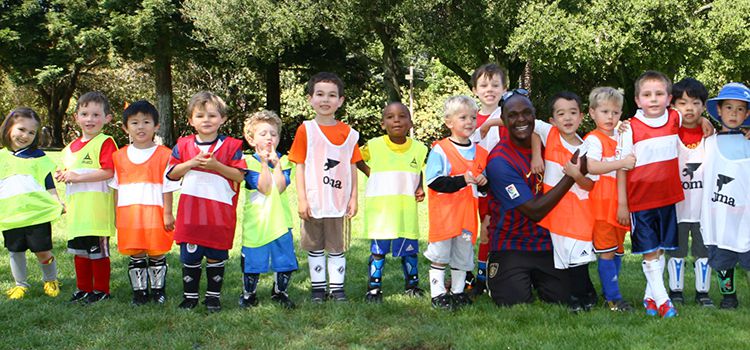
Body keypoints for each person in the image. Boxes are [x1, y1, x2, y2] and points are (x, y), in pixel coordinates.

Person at [485, 90, 587, 307]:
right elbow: (534, 210)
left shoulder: (550, 144)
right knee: (514, 302)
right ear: (503, 120)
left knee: (565, 298)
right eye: (513, 115)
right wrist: (573, 176)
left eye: (526, 113)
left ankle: (539, 277)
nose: (520, 119)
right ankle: (501, 274)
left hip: (547, 243)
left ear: (535, 116)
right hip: (511, 243)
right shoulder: (499, 161)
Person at [166, 91, 245, 312]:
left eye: (212, 115)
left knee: (215, 256)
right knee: (190, 258)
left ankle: (213, 297)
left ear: (223, 119)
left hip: (219, 213)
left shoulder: (232, 146)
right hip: (191, 214)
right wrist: (191, 163)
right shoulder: (182, 145)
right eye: (200, 116)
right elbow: (171, 173)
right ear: (191, 121)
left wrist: (216, 166)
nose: (206, 120)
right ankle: (189, 297)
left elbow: (240, 176)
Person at [288, 72, 361, 302]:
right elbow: (299, 165)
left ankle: (337, 289)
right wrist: (301, 199)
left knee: (336, 246)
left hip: (338, 200)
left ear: (340, 101)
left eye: (331, 95)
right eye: (319, 94)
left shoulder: (348, 134)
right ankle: (318, 289)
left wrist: (353, 198)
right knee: (315, 246)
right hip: (314, 199)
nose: (325, 100)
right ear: (310, 98)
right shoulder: (306, 129)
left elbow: (352, 166)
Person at [617, 71, 682, 318]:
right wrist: (623, 203)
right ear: (637, 100)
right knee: (649, 249)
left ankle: (649, 297)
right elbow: (623, 167)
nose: (653, 99)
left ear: (668, 98)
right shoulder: (629, 127)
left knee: (661, 248)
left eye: (659, 94)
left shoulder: (675, 118)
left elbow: (694, 120)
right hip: (641, 200)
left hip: (667, 196)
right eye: (647, 94)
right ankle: (664, 300)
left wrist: (706, 122)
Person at [532, 92, 598, 312]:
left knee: (577, 257)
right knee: (565, 258)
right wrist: (536, 155)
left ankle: (577, 301)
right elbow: (531, 127)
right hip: (556, 213)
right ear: (552, 120)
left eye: (573, 113)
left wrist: (575, 175)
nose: (567, 118)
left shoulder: (588, 147)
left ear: (581, 117)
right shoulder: (549, 133)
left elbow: (590, 185)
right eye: (561, 114)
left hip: (580, 212)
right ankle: (588, 294)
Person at [357, 102, 428, 303]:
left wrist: (419, 186)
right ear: (382, 124)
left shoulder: (419, 148)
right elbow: (356, 158)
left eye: (402, 116)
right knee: (378, 251)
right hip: (381, 211)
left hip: (406, 211)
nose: (396, 120)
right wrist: (370, 172)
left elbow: (417, 170)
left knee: (409, 250)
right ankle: (374, 288)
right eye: (390, 116)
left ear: (411, 123)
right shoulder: (374, 145)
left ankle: (412, 286)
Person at [110, 100, 178, 305]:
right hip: (129, 214)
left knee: (157, 251)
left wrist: (168, 213)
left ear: (156, 126)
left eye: (146, 122)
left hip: (155, 212)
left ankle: (158, 291)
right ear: (125, 128)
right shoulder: (118, 156)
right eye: (135, 123)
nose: (141, 127)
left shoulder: (165, 154)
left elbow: (168, 186)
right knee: (136, 252)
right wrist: (116, 215)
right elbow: (116, 188)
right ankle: (139, 293)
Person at [424, 95, 487, 309]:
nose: (469, 122)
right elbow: (434, 182)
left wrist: (483, 183)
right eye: (463, 117)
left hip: (467, 216)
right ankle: (438, 294)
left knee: (463, 256)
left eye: (473, 117)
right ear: (449, 122)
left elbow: (484, 188)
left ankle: (459, 292)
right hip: (445, 216)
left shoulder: (480, 152)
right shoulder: (440, 149)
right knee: (440, 255)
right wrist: (462, 179)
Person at [56, 91, 118, 304]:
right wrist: (62, 175)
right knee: (80, 253)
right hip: (77, 212)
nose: (90, 119)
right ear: (76, 117)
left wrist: (77, 177)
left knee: (97, 253)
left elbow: (108, 172)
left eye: (96, 114)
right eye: (85, 114)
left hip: (97, 212)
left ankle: (101, 290)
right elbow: (64, 171)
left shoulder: (105, 142)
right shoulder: (68, 149)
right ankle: (83, 288)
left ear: (107, 118)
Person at [0, 107, 64, 300]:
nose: (25, 135)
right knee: (15, 252)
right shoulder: (1, 157)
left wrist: (57, 201)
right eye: (21, 129)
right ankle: (21, 285)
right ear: (9, 128)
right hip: (12, 215)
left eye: (31, 132)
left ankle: (50, 279)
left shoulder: (39, 158)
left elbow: (49, 183)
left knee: (43, 251)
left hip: (37, 215)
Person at [583, 87, 636, 312]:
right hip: (601, 204)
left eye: (615, 113)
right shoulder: (593, 139)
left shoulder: (621, 136)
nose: (610, 117)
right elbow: (592, 166)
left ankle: (609, 292)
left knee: (617, 250)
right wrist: (620, 162)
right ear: (592, 113)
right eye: (604, 112)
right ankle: (614, 299)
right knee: (606, 250)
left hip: (620, 202)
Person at [238, 110, 298, 309]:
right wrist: (264, 163)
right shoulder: (247, 162)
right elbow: (264, 188)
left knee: (284, 260)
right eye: (263, 134)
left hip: (281, 222)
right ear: (251, 139)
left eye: (273, 134)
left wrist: (277, 165)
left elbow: (279, 187)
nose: (269, 138)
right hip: (257, 222)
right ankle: (249, 295)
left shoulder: (286, 161)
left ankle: (279, 292)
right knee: (253, 261)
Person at [700, 82, 750, 310]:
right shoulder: (708, 142)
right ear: (718, 110)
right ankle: (728, 296)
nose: (734, 113)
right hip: (720, 211)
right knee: (722, 255)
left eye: (740, 109)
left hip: (746, 212)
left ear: (747, 113)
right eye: (729, 107)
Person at [666, 78, 713, 307]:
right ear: (673, 105)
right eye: (683, 103)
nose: (689, 108)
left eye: (695, 103)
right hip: (677, 208)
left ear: (703, 106)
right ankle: (676, 292)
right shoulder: (668, 135)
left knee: (703, 252)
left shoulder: (711, 137)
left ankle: (702, 293)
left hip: (704, 210)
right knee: (677, 253)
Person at [467, 63, 507, 296]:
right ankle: (474, 275)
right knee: (472, 232)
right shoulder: (470, 116)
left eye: (495, 84)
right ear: (475, 89)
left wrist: (493, 122)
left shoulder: (507, 114)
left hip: (499, 184)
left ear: (504, 88)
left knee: (491, 229)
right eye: (483, 85)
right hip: (474, 183)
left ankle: (490, 277)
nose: (489, 89)